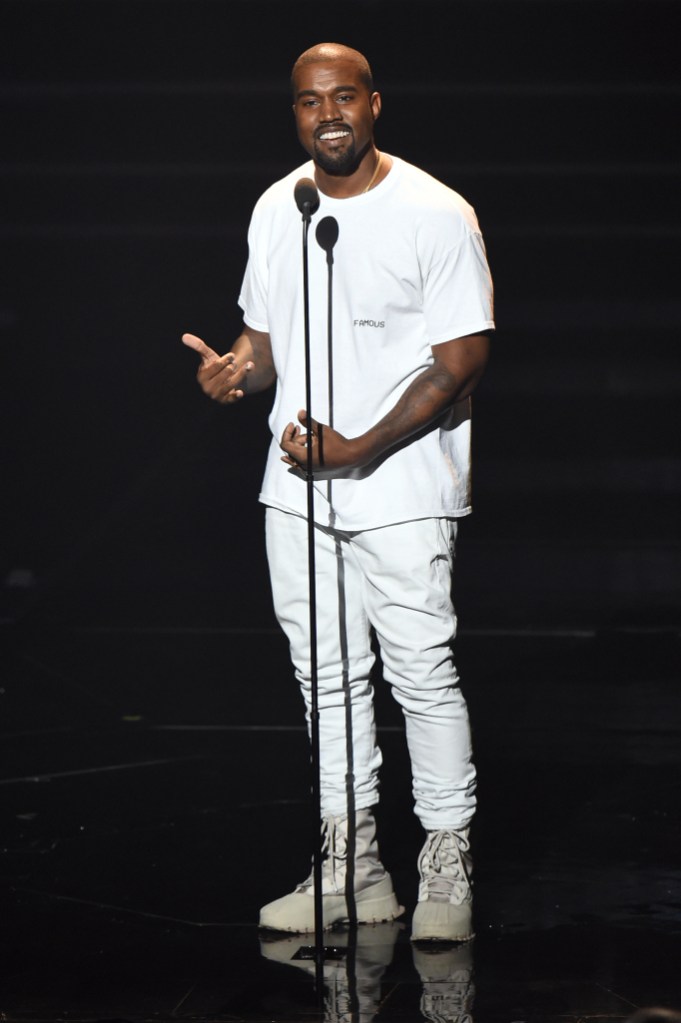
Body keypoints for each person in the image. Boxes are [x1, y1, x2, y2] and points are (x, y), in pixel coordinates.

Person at [182, 42, 494, 943]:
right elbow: (262, 342)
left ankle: (445, 863)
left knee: (421, 675)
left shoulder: (435, 212)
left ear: (374, 104)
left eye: (344, 96)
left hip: (402, 487)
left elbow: (462, 360)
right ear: (294, 112)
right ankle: (351, 866)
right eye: (310, 100)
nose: (328, 114)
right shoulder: (278, 205)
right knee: (324, 678)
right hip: (297, 490)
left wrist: (357, 446)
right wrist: (234, 372)